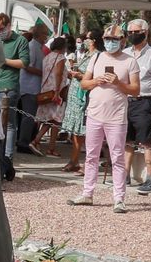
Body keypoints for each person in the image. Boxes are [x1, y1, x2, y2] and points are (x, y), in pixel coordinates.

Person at [69, 25, 139, 213]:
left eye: (114, 40)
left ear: (122, 41)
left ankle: (119, 198)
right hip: (94, 114)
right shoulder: (96, 57)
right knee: (91, 155)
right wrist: (96, 81)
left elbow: (135, 89)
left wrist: (118, 83)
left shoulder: (130, 61)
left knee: (117, 158)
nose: (110, 43)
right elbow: (84, 84)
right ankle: (87, 193)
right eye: (107, 39)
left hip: (116, 117)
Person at [122, 18, 151, 194]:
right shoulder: (125, 53)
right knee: (127, 140)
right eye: (130, 32)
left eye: (136, 32)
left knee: (146, 141)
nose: (133, 35)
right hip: (125, 101)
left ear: (145, 32)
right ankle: (125, 175)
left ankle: (150, 178)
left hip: (144, 101)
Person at [60, 29, 101, 172]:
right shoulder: (87, 54)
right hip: (75, 95)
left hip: (84, 96)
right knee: (76, 132)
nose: (84, 41)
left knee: (85, 131)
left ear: (94, 40)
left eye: (87, 38)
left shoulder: (97, 56)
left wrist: (79, 75)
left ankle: (86, 163)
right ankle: (74, 160)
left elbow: (95, 76)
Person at [0, 12, 31, 172]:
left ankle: (7, 160)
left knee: (9, 125)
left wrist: (4, 60)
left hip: (8, 88)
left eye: (2, 29)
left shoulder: (20, 40)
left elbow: (24, 62)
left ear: (9, 26)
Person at [15, 21, 48, 154]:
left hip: (33, 87)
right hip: (29, 87)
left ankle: (24, 140)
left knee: (28, 117)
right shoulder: (32, 47)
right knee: (28, 116)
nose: (46, 37)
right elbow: (27, 66)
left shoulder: (38, 48)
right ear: (39, 34)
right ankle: (23, 143)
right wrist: (43, 73)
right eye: (45, 34)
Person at [31, 35, 67, 153]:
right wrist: (57, 91)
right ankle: (49, 146)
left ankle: (38, 141)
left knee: (49, 119)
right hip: (56, 91)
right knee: (56, 120)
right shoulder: (60, 57)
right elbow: (58, 74)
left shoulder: (47, 57)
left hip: (45, 90)